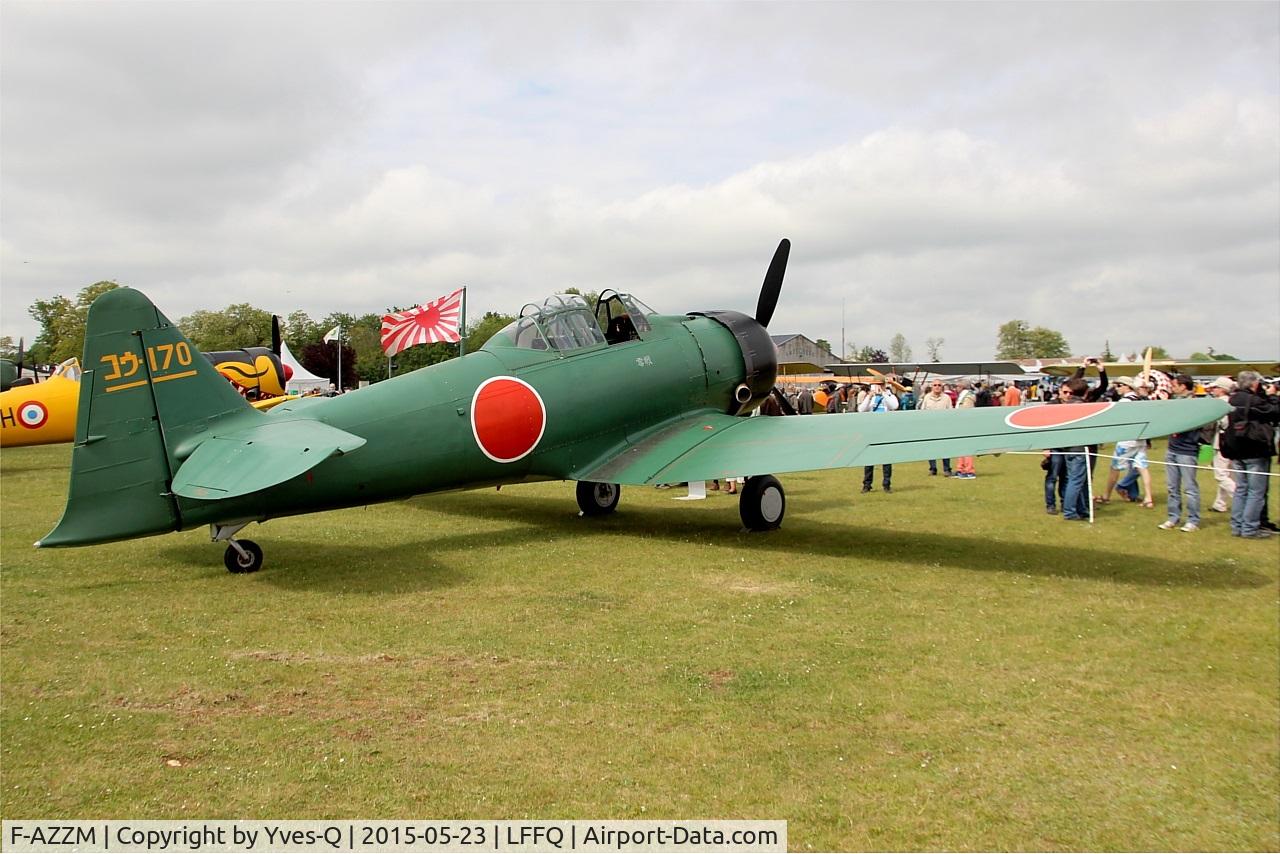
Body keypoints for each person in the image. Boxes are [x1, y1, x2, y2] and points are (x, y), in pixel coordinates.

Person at [1221, 370, 1278, 539]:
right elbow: (1275, 411)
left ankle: (1237, 526)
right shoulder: (1253, 400)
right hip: (1254, 449)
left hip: (1237, 449)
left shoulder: (1233, 398)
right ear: (1254, 383)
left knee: (1241, 490)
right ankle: (1249, 528)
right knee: (1256, 492)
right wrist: (1273, 396)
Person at [1098, 377, 1153, 507]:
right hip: (1141, 438)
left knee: (1115, 468)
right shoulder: (1141, 399)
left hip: (1127, 439)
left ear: (1126, 386)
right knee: (1143, 468)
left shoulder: (1124, 401)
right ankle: (1148, 497)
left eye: (1118, 386)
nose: (1116, 389)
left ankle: (1106, 495)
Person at [1158, 374, 1203, 532]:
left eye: (1175, 385)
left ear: (1183, 386)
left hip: (1187, 450)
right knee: (1172, 487)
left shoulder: (1195, 403)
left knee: (1190, 487)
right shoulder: (1175, 401)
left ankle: (1193, 520)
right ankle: (1173, 517)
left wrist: (1168, 406)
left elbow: (1184, 420)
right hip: (1172, 448)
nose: (1172, 387)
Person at [857, 382, 899, 493]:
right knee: (869, 460)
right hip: (872, 432)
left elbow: (894, 406)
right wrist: (869, 396)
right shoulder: (870, 397)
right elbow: (861, 409)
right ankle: (867, 484)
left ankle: (886, 484)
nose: (877, 387)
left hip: (886, 432)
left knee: (886, 460)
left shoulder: (889, 396)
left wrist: (884, 393)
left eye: (880, 384)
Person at [1203, 377, 1237, 513]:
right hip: (1232, 441)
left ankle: (1240, 497)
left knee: (1221, 475)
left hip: (1222, 441)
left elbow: (1223, 423)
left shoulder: (1221, 404)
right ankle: (1220, 503)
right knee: (1228, 474)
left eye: (1216, 388)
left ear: (1223, 389)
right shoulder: (1233, 401)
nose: (1213, 390)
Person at [917, 378, 954, 476]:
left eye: (939, 385)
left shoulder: (946, 398)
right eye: (935, 385)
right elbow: (923, 412)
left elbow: (951, 412)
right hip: (930, 427)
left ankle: (947, 469)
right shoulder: (927, 397)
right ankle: (933, 468)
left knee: (945, 449)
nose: (937, 387)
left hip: (943, 427)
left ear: (942, 387)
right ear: (932, 387)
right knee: (931, 448)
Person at [953, 379, 977, 479]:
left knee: (967, 449)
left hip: (966, 426)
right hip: (960, 425)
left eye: (957, 386)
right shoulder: (963, 397)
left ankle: (969, 470)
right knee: (960, 448)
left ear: (962, 387)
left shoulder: (968, 397)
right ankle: (960, 469)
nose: (956, 388)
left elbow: (966, 412)